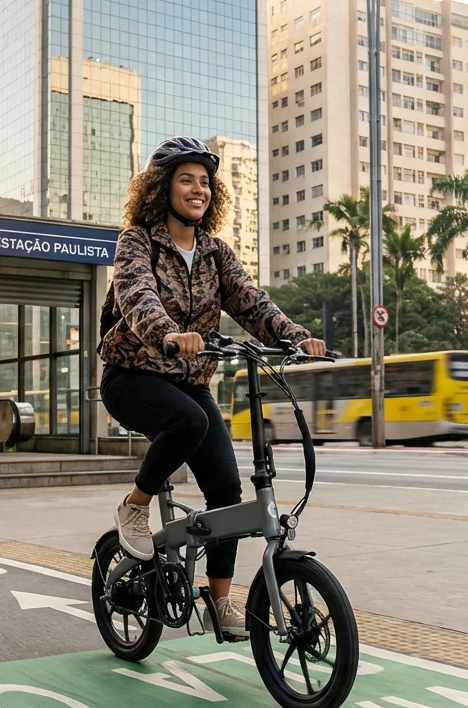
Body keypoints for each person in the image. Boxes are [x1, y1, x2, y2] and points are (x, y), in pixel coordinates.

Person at [98, 136, 326, 636]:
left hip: (190, 380)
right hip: (132, 374)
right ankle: (135, 506)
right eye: (187, 179)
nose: (198, 189)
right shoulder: (138, 241)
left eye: (205, 181)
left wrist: (297, 337)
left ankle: (221, 602)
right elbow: (136, 295)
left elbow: (251, 302)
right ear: (162, 187)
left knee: (227, 490)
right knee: (189, 420)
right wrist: (168, 335)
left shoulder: (215, 254)